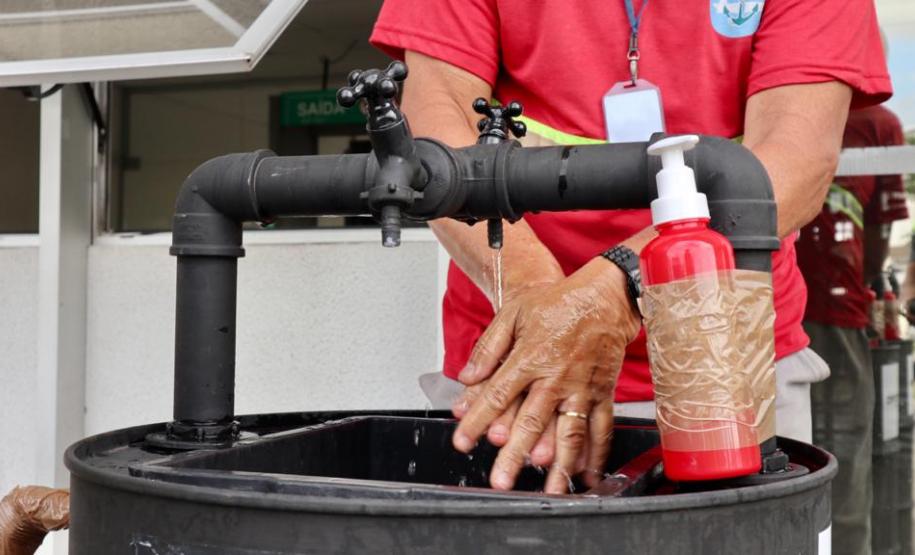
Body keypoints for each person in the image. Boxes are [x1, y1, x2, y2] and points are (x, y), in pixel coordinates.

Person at [370, 0, 891, 494]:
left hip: (724, 370)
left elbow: (793, 164)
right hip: (518, 365)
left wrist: (607, 297)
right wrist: (546, 314)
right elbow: (434, 138)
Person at [796, 103, 908, 555]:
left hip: (835, 313)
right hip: (772, 312)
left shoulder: (875, 124)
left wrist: (865, 292)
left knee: (845, 455)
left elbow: (882, 230)